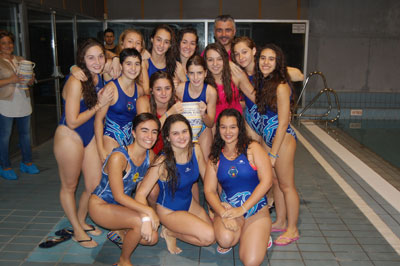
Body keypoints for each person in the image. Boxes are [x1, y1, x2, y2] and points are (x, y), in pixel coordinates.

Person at [53, 38, 113, 248]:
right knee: (69, 186)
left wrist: (105, 57)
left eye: (100, 56)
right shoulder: (76, 81)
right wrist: (99, 105)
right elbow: (72, 120)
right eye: (90, 58)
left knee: (93, 185)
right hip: (70, 136)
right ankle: (77, 231)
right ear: (82, 60)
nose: (97, 61)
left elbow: (119, 56)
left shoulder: (101, 75)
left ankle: (81, 220)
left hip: (89, 136)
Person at [135, 114, 214, 254]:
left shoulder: (195, 150)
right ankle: (170, 232)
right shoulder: (162, 162)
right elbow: (140, 194)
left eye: (184, 131)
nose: (182, 137)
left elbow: (208, 180)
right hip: (169, 211)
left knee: (214, 232)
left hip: (189, 203)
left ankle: (174, 230)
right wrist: (146, 218)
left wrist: (215, 207)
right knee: (209, 237)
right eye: (175, 133)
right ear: (167, 137)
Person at [89, 113, 160, 266]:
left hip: (123, 207)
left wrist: (146, 215)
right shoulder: (119, 157)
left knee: (152, 238)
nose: (150, 136)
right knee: (139, 224)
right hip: (100, 206)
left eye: (154, 132)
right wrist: (148, 213)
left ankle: (119, 231)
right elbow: (119, 196)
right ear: (133, 133)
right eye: (144, 130)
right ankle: (123, 261)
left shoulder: (150, 156)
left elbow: (141, 191)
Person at [204, 108, 273, 264]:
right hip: (229, 208)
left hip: (255, 209)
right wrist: (222, 212)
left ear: (240, 128)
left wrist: (242, 209)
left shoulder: (253, 149)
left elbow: (267, 181)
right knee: (225, 240)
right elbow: (208, 190)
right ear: (218, 129)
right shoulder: (215, 156)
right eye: (223, 127)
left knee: (250, 262)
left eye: (233, 127)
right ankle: (247, 233)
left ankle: (260, 233)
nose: (228, 131)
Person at [253, 44, 299, 246]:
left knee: (287, 185)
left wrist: (273, 154)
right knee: (276, 182)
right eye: (263, 58)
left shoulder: (281, 86)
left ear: (278, 62)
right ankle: (280, 221)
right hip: (269, 138)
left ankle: (293, 228)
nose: (265, 62)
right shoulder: (264, 83)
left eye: (271, 59)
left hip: (283, 140)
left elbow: (283, 122)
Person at [0, 30, 39, 180]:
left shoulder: (20, 59)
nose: (7, 45)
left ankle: (27, 163)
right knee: (4, 137)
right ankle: (5, 166)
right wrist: (11, 79)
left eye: (10, 42)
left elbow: (30, 78)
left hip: (23, 101)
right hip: (5, 103)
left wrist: (30, 80)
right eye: (3, 43)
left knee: (25, 135)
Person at [94, 48, 144, 162]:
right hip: (111, 138)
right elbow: (98, 119)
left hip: (130, 139)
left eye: (137, 64)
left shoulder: (139, 90)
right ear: (121, 66)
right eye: (128, 64)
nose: (133, 68)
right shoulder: (111, 88)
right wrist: (100, 149)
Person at [175, 55, 217, 160]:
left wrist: (203, 114)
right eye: (192, 73)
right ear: (187, 74)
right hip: (183, 129)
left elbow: (210, 123)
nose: (196, 78)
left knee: (205, 161)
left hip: (203, 128)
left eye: (199, 73)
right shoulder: (180, 89)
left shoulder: (210, 92)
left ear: (205, 73)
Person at [203, 42, 255, 125]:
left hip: (236, 127)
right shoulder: (201, 81)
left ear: (225, 59)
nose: (215, 63)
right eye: (210, 60)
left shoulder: (236, 76)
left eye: (219, 59)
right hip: (214, 128)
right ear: (205, 61)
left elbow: (256, 98)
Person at [136, 71, 183, 155]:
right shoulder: (143, 101)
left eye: (167, 88)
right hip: (147, 150)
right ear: (152, 90)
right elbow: (147, 131)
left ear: (172, 89)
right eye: (158, 89)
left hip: (169, 152)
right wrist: (169, 113)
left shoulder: (177, 105)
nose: (163, 93)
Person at [144, 24, 186, 89]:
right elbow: (146, 92)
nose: (161, 45)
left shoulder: (176, 66)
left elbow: (187, 91)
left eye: (166, 42)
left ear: (170, 45)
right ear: (152, 39)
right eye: (158, 40)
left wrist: (179, 86)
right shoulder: (144, 62)